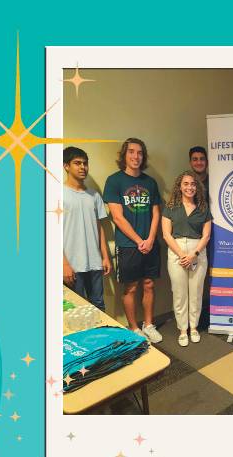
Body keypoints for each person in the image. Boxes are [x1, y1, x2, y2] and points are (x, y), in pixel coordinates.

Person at [103, 138, 163, 342]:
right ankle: (134, 327)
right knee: (131, 287)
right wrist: (139, 240)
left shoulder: (150, 182)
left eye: (139, 153)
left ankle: (148, 324)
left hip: (151, 243)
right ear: (124, 155)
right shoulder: (114, 181)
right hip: (128, 245)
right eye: (131, 152)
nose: (136, 156)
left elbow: (156, 213)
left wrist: (151, 238)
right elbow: (117, 217)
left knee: (149, 285)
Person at [161, 171, 212, 347]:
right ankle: (183, 330)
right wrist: (183, 255)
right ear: (179, 186)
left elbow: (206, 236)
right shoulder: (171, 207)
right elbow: (167, 235)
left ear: (197, 187)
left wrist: (193, 255)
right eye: (186, 184)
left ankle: (194, 327)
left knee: (196, 293)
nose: (190, 187)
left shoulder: (203, 208)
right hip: (177, 253)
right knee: (180, 293)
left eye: (193, 184)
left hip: (198, 251)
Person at [62, 146, 111, 310]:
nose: (83, 167)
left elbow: (99, 228)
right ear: (66, 166)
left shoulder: (94, 195)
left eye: (85, 163)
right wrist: (63, 264)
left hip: (94, 263)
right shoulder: (57, 194)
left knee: (98, 306)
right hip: (72, 265)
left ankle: (101, 336)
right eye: (77, 163)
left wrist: (105, 256)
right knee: (75, 310)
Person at [189, 146, 213, 332]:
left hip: (211, 234)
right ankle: (189, 320)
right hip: (191, 237)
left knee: (208, 274)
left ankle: (209, 313)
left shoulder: (215, 180)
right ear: (191, 162)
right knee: (190, 279)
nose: (199, 162)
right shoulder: (187, 182)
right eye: (195, 159)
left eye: (202, 159)